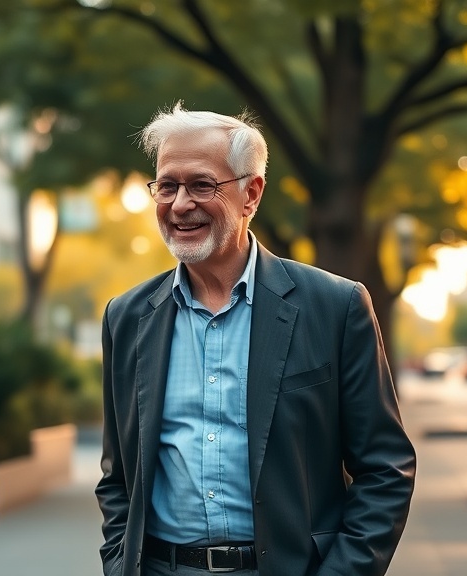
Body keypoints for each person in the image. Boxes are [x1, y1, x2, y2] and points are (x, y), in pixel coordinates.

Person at [96, 103, 416, 576]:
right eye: (167, 185)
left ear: (251, 194)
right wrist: (120, 562)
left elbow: (385, 469)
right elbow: (118, 477)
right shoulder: (126, 317)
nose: (180, 203)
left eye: (202, 184)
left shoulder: (335, 306)